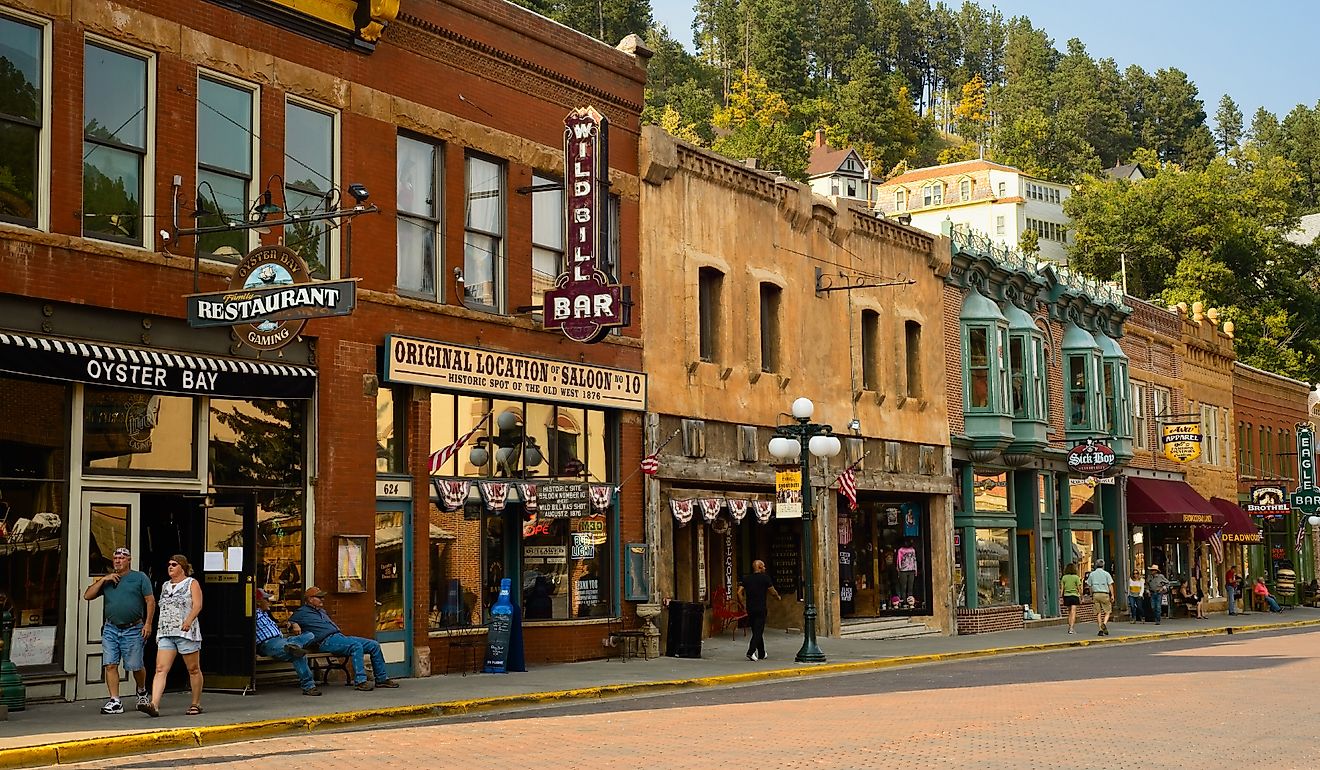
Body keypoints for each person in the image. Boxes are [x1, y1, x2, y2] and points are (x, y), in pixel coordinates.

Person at [83, 547, 155, 714]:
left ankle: (142, 690)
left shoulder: (139, 577)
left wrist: (148, 624)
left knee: (136, 665)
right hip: (111, 628)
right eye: (115, 558)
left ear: (129, 560)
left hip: (133, 627)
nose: (118, 560)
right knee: (110, 664)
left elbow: (150, 601)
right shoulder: (108, 580)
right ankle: (115, 700)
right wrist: (103, 579)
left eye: (122, 558)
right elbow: (87, 595)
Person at [290, 586, 400, 690]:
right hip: (325, 641)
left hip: (339, 637)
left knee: (373, 645)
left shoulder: (321, 611)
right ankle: (360, 681)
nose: (322, 599)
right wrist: (294, 624)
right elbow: (289, 621)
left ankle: (381, 679)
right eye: (319, 597)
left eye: (322, 597)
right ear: (309, 599)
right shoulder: (302, 612)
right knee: (355, 646)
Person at [139, 554, 203, 717]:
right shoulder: (165, 585)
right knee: (160, 668)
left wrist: (188, 621)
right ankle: (154, 704)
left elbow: (197, 605)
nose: (170, 567)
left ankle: (195, 703)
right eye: (169, 564)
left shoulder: (191, 583)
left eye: (174, 564)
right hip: (166, 631)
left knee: (193, 668)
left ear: (183, 567)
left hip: (186, 632)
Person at [254, 588, 320, 696]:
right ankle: (309, 687)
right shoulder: (253, 615)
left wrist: (291, 622)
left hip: (283, 640)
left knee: (310, 635)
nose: (269, 601)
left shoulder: (266, 614)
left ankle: (293, 646)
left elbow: (280, 622)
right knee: (298, 654)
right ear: (258, 602)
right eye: (266, 599)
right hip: (269, 643)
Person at [737, 560, 780, 662]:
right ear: (760, 567)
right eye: (763, 566)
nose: (765, 568)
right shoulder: (765, 578)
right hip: (760, 608)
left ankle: (761, 653)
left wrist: (743, 604)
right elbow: (772, 591)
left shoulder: (747, 578)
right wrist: (777, 597)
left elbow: (739, 592)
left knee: (756, 630)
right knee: (758, 631)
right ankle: (751, 651)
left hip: (750, 608)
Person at [1086, 558, 1115, 635]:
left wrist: (1091, 594)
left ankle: (1100, 629)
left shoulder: (1092, 574)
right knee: (1107, 611)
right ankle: (1104, 624)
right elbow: (1110, 585)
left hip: (1096, 594)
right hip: (1104, 594)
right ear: (1103, 565)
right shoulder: (1106, 574)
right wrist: (1112, 595)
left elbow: (1089, 585)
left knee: (1098, 612)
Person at [1060, 563, 1082, 634]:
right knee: (1073, 612)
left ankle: (1069, 626)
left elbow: (1062, 589)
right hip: (1074, 595)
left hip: (1067, 596)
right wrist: (1081, 596)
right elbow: (1079, 588)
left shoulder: (1064, 577)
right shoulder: (1076, 577)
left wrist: (1061, 597)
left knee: (1069, 612)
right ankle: (1071, 628)